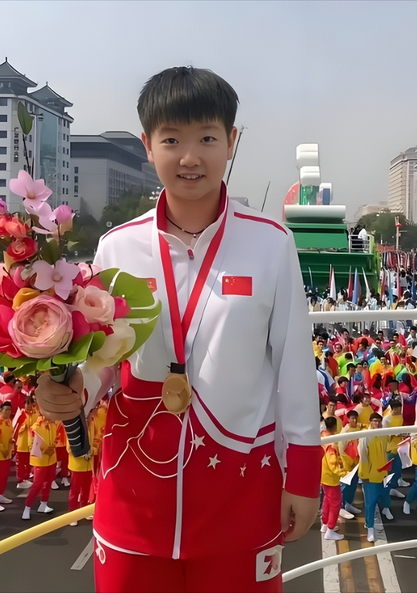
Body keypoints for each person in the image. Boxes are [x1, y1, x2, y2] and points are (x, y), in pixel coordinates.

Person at [35, 66, 322, 592]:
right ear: (148, 145)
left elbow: (295, 368)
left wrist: (303, 475)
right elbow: (103, 358)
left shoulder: (270, 243)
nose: (190, 157)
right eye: (171, 139)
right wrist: (75, 387)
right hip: (136, 487)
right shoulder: (118, 246)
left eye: (207, 138)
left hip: (241, 483)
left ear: (232, 141)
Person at [358, 413, 393, 543]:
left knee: (385, 494)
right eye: (374, 421)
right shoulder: (365, 437)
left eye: (379, 421)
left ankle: (386, 508)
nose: (377, 423)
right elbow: (363, 458)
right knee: (371, 502)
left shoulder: (384, 434)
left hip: (383, 473)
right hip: (370, 475)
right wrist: (365, 475)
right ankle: (370, 527)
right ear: (370, 422)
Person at [22, 412, 58, 520]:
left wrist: (53, 446)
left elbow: (56, 439)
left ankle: (43, 504)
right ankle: (27, 507)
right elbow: (31, 445)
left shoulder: (53, 425)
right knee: (37, 484)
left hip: (51, 458)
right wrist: (44, 449)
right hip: (40, 460)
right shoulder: (35, 427)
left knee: (48, 481)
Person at [320, 417, 347, 541]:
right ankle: (330, 529)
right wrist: (344, 473)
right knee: (335, 503)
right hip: (331, 477)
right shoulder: (332, 443)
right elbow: (333, 464)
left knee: (327, 500)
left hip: (323, 474)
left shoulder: (322, 435)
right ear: (335, 426)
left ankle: (325, 524)